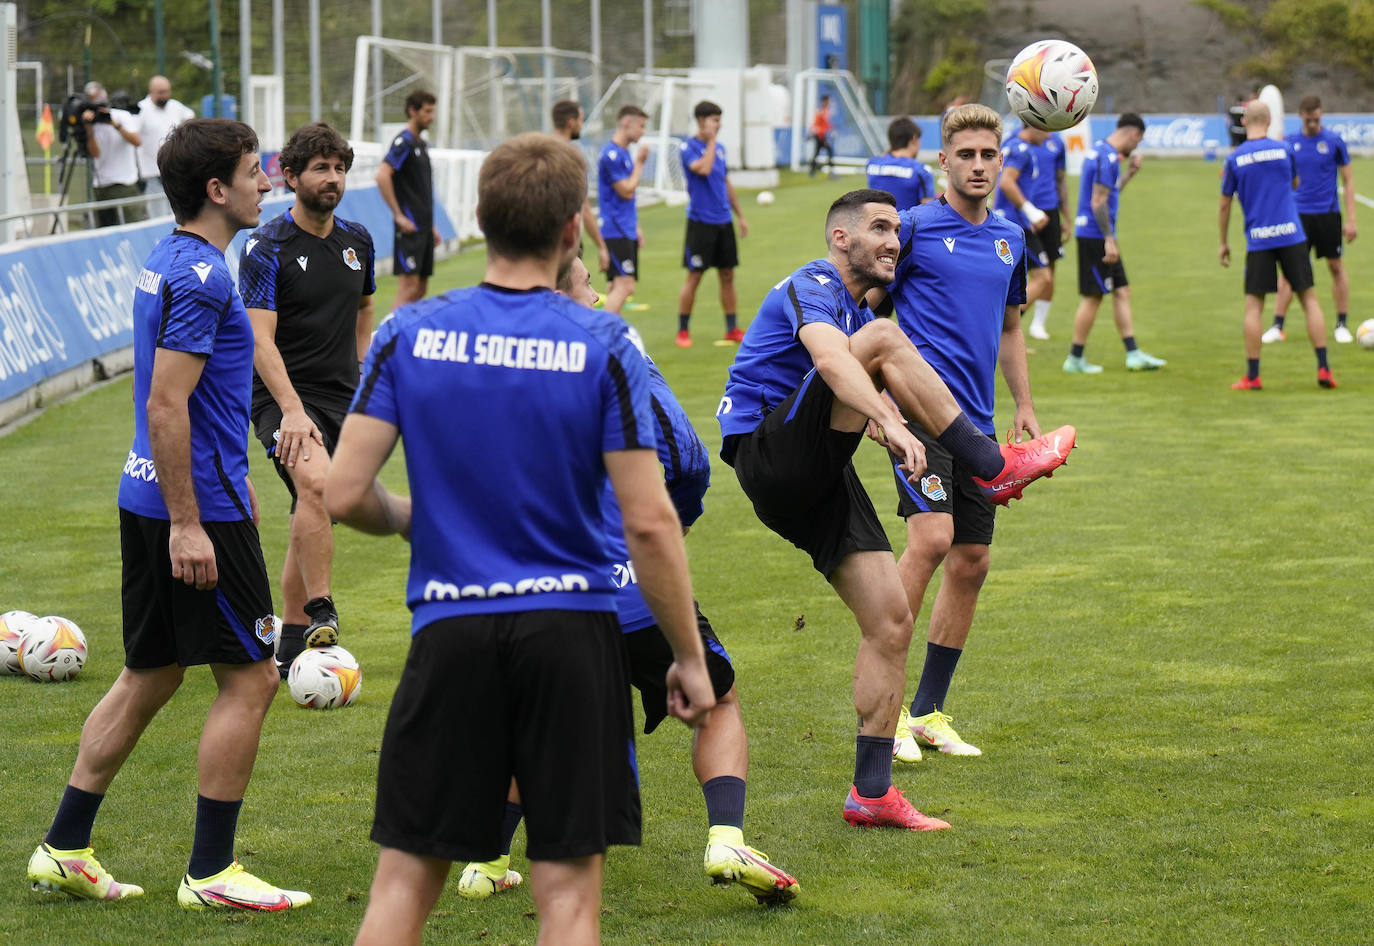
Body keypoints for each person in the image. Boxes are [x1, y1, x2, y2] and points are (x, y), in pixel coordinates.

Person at [327, 133, 716, 946]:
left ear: (478, 216)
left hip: (450, 630)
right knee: (568, 899)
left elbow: (343, 493)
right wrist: (685, 654)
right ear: (574, 230)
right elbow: (648, 522)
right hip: (570, 636)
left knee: (401, 888)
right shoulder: (602, 344)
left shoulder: (408, 333)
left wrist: (408, 519)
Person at [716, 188, 1073, 833]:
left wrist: (885, 420)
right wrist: (892, 422)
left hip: (819, 474)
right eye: (879, 228)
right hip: (768, 450)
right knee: (885, 337)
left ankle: (872, 793)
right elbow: (831, 362)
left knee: (891, 620)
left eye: (895, 230)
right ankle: (993, 466)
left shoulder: (855, 311)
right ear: (840, 239)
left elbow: (850, 381)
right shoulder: (814, 283)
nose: (893, 239)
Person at [25, 118, 309, 912]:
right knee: (251, 677)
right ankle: (212, 873)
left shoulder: (168, 258)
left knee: (150, 674)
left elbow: (179, 398)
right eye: (256, 172)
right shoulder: (207, 279)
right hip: (194, 511)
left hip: (150, 493)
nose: (266, 184)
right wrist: (192, 519)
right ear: (217, 189)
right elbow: (165, 402)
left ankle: (64, 845)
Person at [456, 255, 799, 906]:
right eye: (588, 284)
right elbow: (687, 457)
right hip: (630, 583)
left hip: (538, 592)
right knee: (718, 703)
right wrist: (681, 523)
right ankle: (726, 837)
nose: (599, 295)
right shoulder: (615, 355)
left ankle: (488, 860)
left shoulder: (485, 368)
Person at [881, 104, 1063, 763]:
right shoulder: (914, 230)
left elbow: (1012, 329)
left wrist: (1024, 405)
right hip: (920, 419)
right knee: (930, 541)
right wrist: (882, 407)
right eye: (967, 155)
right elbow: (864, 322)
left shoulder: (1011, 238)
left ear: (1001, 162)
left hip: (978, 428)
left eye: (989, 155)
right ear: (943, 162)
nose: (979, 165)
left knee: (973, 562)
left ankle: (929, 712)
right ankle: (888, 709)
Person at [238, 122, 375, 675]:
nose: (333, 178)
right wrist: (292, 410)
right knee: (316, 484)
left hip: (343, 396)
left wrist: (364, 369)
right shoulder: (265, 246)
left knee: (312, 507)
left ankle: (290, 641)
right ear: (290, 176)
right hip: (282, 399)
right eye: (320, 168)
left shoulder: (358, 240)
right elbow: (257, 337)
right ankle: (322, 609)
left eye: (339, 168)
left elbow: (365, 309)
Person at [1219, 100, 1335, 391]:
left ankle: (1253, 376)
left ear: (1244, 123)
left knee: (1254, 307)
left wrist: (1223, 242)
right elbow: (1295, 183)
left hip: (1259, 239)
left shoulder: (1235, 159)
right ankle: (1323, 370)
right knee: (1309, 299)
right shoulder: (1285, 150)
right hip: (1292, 234)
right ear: (1270, 120)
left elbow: (1224, 205)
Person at [1063, 113, 1167, 373]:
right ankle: (1074, 358)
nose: (1136, 147)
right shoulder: (1107, 157)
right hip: (1095, 235)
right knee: (1094, 296)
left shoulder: (1101, 152)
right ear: (1133, 134)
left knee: (1122, 290)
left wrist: (1130, 173)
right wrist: (1109, 239)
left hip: (1098, 233)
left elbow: (1108, 193)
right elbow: (1098, 202)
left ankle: (1133, 353)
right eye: (1139, 141)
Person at [1266, 94, 1358, 345]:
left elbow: (1348, 181)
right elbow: (1279, 180)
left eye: (1317, 118)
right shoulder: (1290, 143)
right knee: (1289, 270)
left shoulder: (1334, 142)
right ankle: (1277, 326)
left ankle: (1341, 324)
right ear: (1301, 117)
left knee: (1335, 267)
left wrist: (1351, 219)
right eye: (1309, 120)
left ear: (1321, 113)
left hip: (1328, 214)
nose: (1313, 123)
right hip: (1297, 216)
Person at [676, 100, 749, 348]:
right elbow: (704, 170)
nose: (719, 125)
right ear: (701, 121)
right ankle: (683, 331)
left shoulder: (720, 148)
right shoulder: (689, 147)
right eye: (715, 120)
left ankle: (732, 328)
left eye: (719, 120)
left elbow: (723, 181)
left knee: (727, 275)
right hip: (700, 222)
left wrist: (739, 215)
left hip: (723, 221)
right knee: (694, 276)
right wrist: (710, 141)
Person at [376, 90, 439, 311]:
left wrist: (431, 226)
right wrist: (399, 215)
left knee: (421, 287)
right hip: (410, 227)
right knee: (409, 286)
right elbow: (382, 175)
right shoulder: (403, 142)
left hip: (423, 228)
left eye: (433, 111)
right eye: (427, 111)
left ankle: (409, 339)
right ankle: (389, 342)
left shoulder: (420, 144)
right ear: (413, 111)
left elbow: (420, 190)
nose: (432, 116)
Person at [994, 124, 1055, 335]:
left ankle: (1003, 330)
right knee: (1043, 277)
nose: (1049, 136)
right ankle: (1003, 329)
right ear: (1034, 126)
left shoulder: (1011, 143)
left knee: (1009, 283)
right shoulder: (1022, 150)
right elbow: (1007, 183)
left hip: (1007, 221)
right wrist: (1031, 212)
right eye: (1046, 130)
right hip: (1015, 224)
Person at [597, 104, 650, 315]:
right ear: (627, 122)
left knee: (615, 286)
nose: (643, 132)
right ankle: (603, 336)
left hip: (625, 227)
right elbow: (626, 191)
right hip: (615, 229)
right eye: (641, 126)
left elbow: (628, 200)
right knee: (625, 286)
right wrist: (640, 163)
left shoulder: (623, 153)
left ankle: (611, 343)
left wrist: (636, 227)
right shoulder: (611, 155)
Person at [551, 99, 612, 278]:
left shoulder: (539, 152)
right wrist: (602, 246)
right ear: (571, 122)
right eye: (581, 120)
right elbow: (583, 207)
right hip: (567, 240)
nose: (581, 125)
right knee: (571, 296)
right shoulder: (572, 156)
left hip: (541, 240)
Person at [81, 81, 147, 227]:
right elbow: (95, 153)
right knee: (104, 229)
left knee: (133, 226)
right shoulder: (90, 122)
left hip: (124, 183)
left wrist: (114, 124)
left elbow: (137, 141)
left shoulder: (121, 116)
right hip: (101, 185)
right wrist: (89, 130)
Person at [136, 75, 196, 196]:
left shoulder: (174, 105)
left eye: (167, 91)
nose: (164, 95)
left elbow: (191, 117)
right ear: (151, 92)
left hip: (175, 170)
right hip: (152, 171)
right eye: (160, 92)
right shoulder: (141, 109)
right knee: (157, 212)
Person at [865, 117, 936, 212]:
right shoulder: (921, 171)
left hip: (878, 224)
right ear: (914, 139)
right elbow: (928, 212)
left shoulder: (872, 164)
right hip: (906, 225)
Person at [809, 94, 835, 178]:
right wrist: (821, 135)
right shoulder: (822, 111)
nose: (830, 102)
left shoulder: (824, 110)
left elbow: (824, 123)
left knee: (817, 153)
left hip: (820, 135)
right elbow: (818, 124)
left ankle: (812, 171)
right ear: (825, 101)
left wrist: (831, 129)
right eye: (829, 100)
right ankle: (831, 173)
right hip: (820, 135)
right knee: (829, 152)